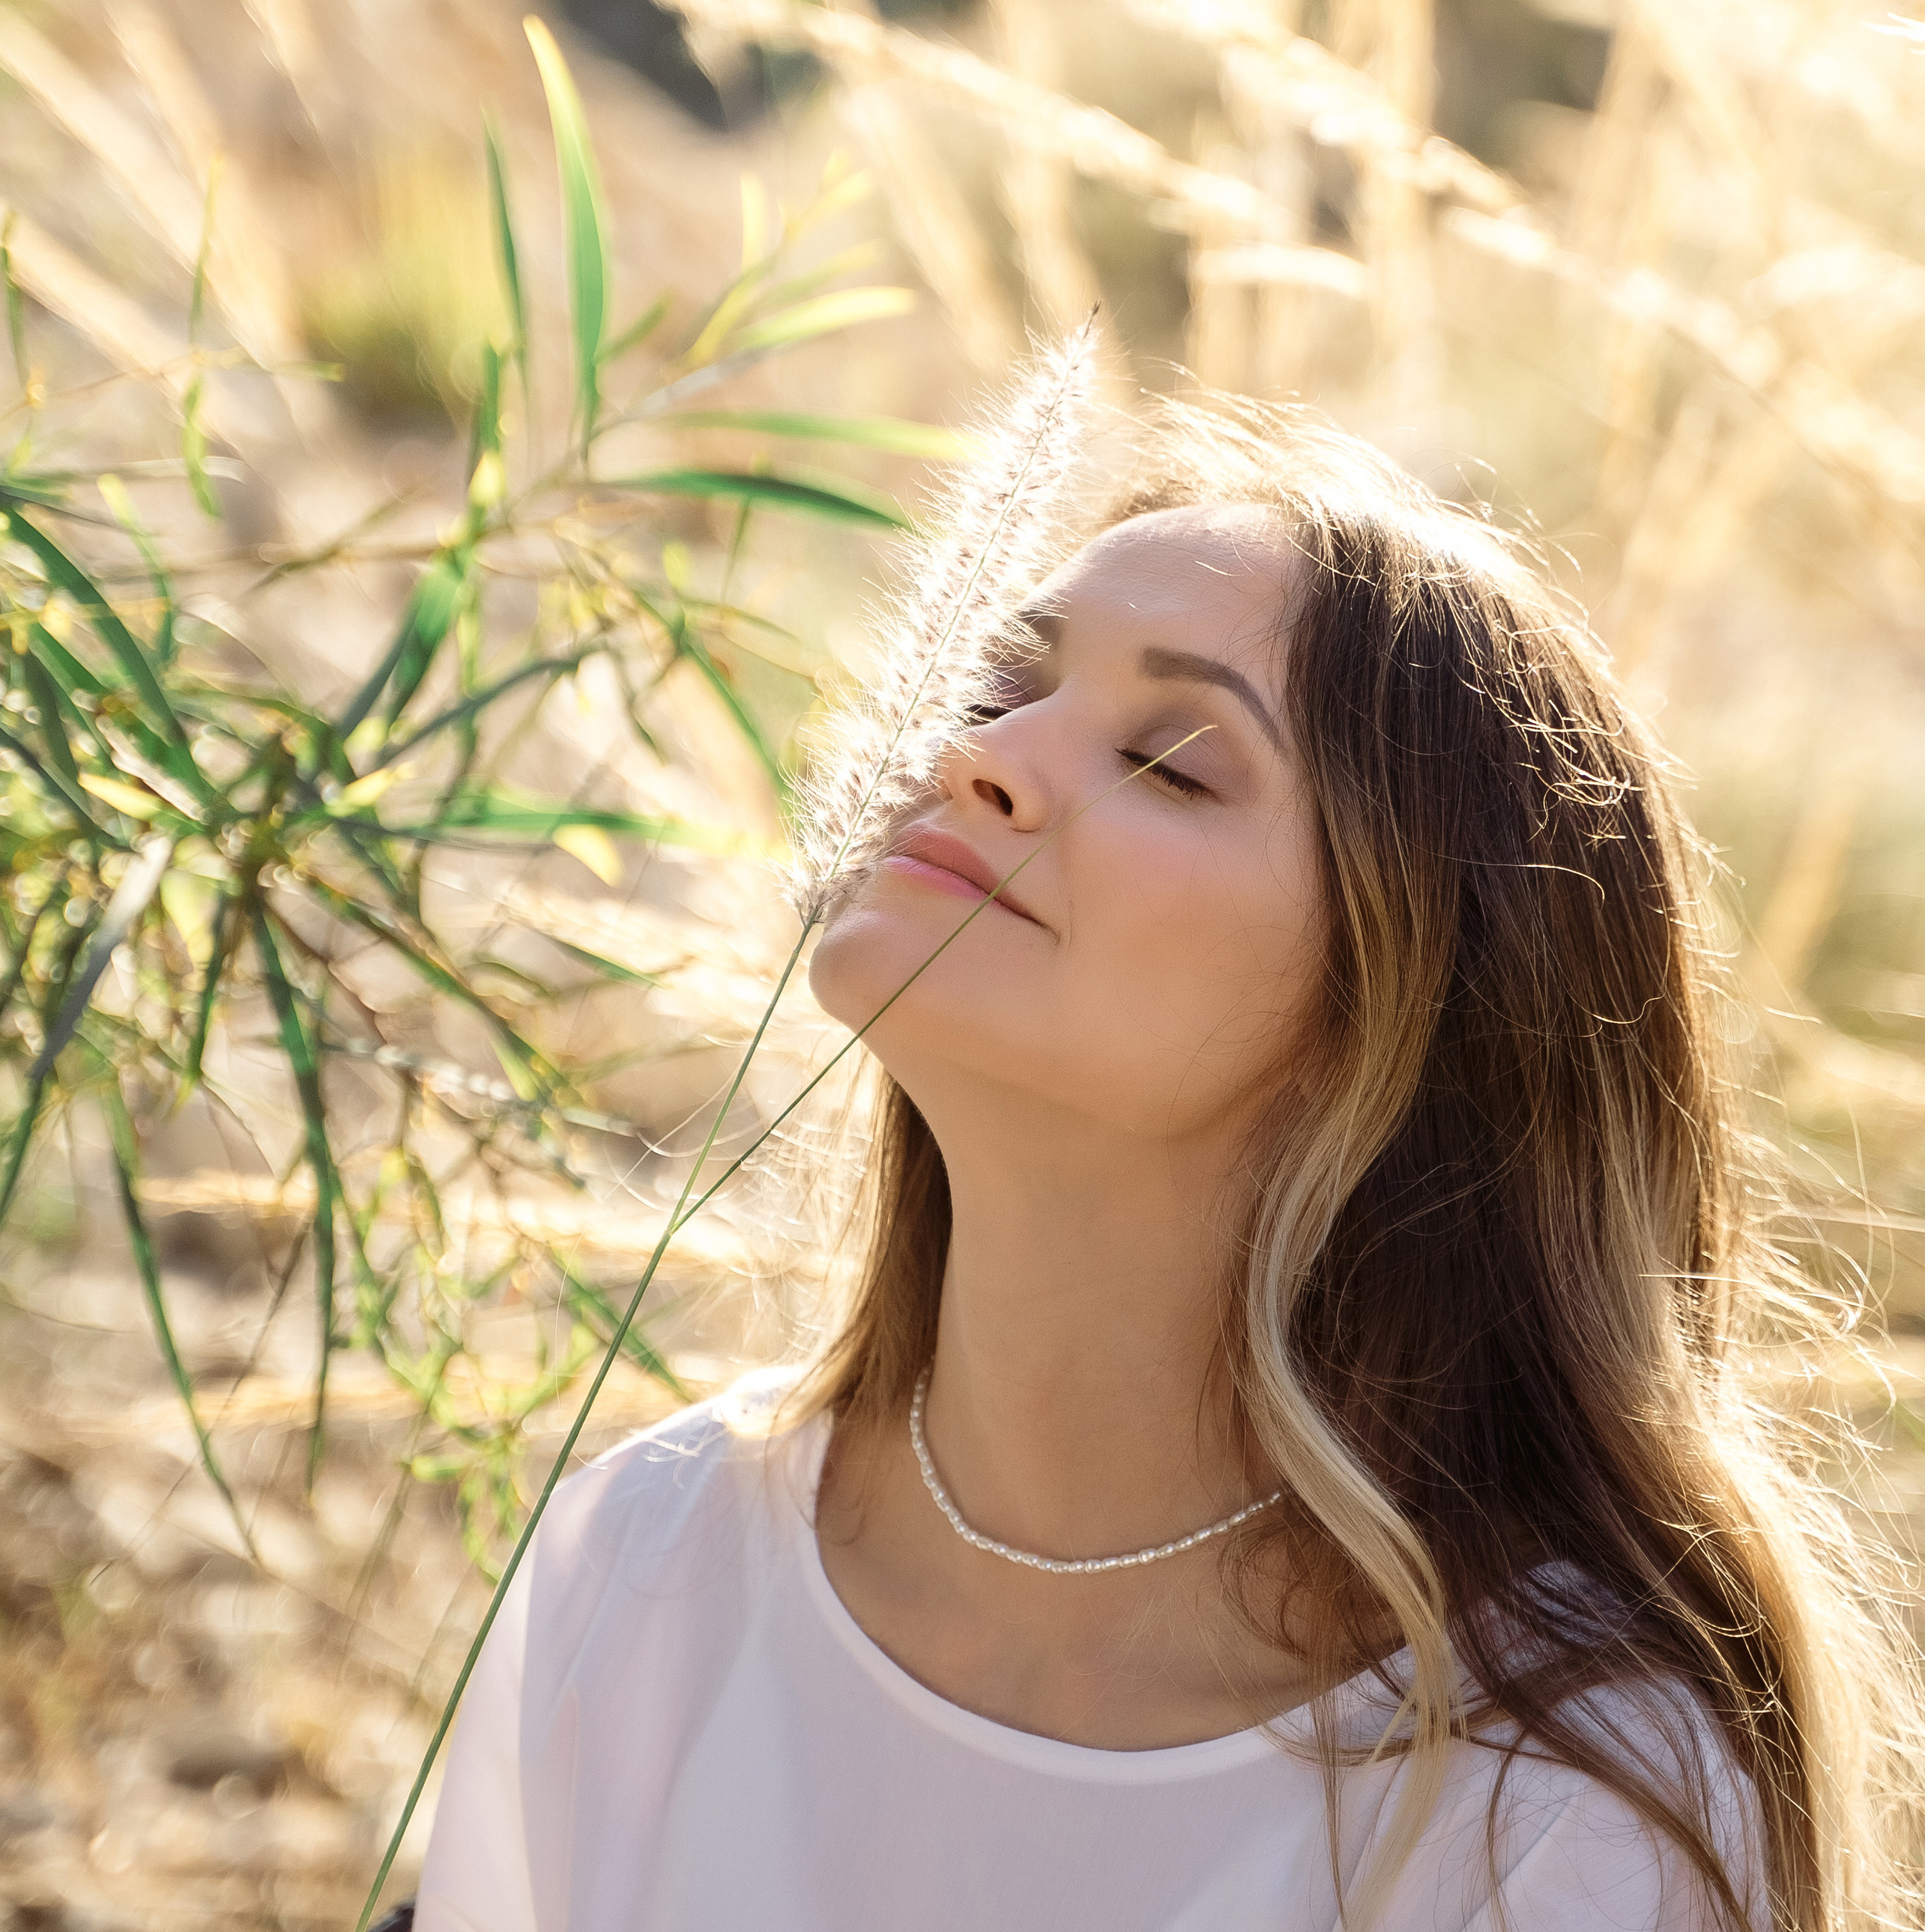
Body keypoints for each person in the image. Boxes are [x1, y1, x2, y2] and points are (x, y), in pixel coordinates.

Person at [412, 402, 1921, 1931]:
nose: (974, 754)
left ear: (1402, 1018)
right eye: (1000, 683)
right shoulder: (645, 1558)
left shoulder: (1554, 1806)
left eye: (1168, 762)